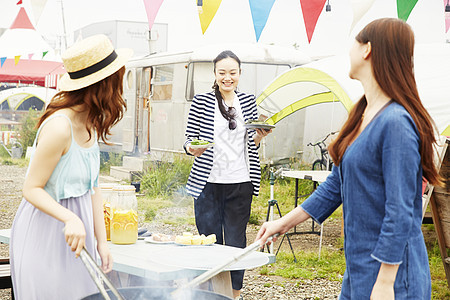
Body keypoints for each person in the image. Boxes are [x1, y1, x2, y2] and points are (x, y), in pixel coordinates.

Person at [256, 18, 443, 300]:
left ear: (367, 49)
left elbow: (401, 210)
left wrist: (384, 283)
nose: (350, 51)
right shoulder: (363, 112)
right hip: (359, 269)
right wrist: (282, 223)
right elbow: (336, 185)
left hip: (392, 276)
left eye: (354, 43)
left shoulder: (396, 122)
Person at [10, 34, 133, 299]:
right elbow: (31, 188)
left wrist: (102, 242)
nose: (121, 86)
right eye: (117, 78)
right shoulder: (59, 127)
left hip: (78, 234)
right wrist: (70, 217)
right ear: (104, 85)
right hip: (47, 232)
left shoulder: (90, 122)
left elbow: (93, 188)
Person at [184, 50, 271, 299]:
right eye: (222, 72)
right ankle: (210, 293)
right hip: (207, 184)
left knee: (236, 243)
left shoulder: (248, 100)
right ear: (215, 74)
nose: (227, 77)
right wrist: (193, 148)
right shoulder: (201, 100)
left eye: (232, 72)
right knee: (208, 241)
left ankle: (234, 294)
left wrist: (259, 135)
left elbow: (249, 143)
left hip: (241, 182)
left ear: (240, 74)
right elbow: (189, 141)